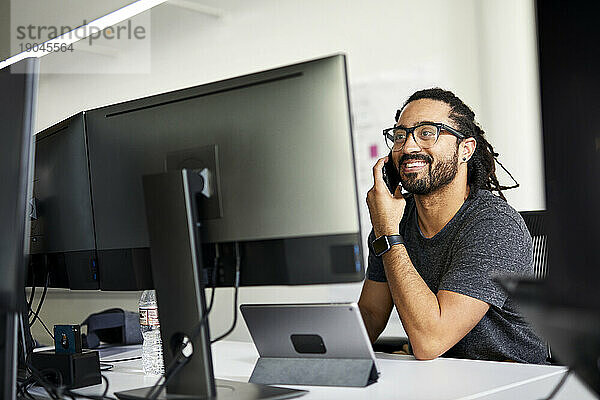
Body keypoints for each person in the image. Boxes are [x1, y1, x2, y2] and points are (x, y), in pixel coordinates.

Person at [358, 88, 547, 363]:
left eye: (427, 132)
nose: (408, 147)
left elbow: (429, 341)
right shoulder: (395, 219)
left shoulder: (494, 225)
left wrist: (388, 233)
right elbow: (372, 315)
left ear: (465, 150)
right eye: (400, 136)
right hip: (440, 377)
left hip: (511, 382)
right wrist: (308, 346)